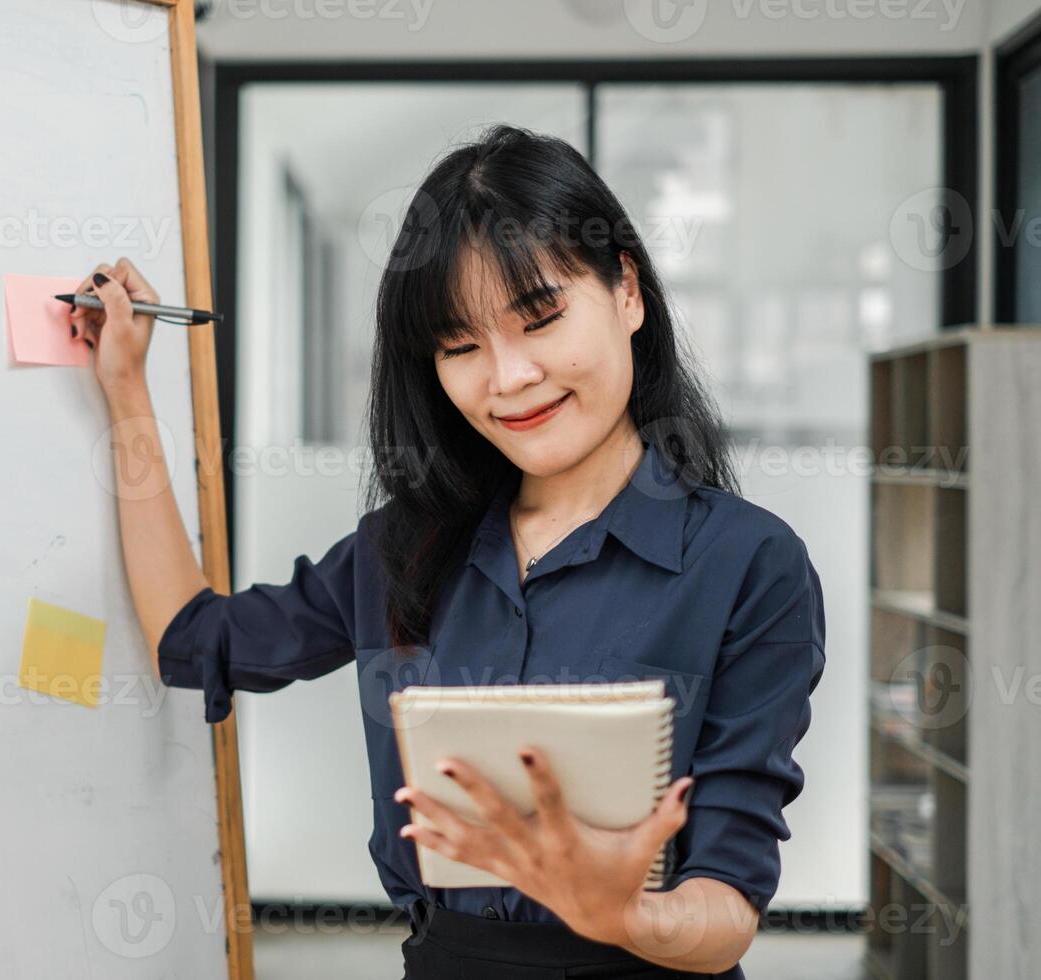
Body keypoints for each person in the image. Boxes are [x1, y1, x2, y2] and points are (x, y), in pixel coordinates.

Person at [68, 124, 825, 978]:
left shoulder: (748, 563)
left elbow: (725, 909)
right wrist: (127, 390)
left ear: (626, 293)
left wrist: (628, 916)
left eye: (539, 317)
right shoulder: (405, 546)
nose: (506, 378)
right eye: (460, 347)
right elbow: (195, 639)